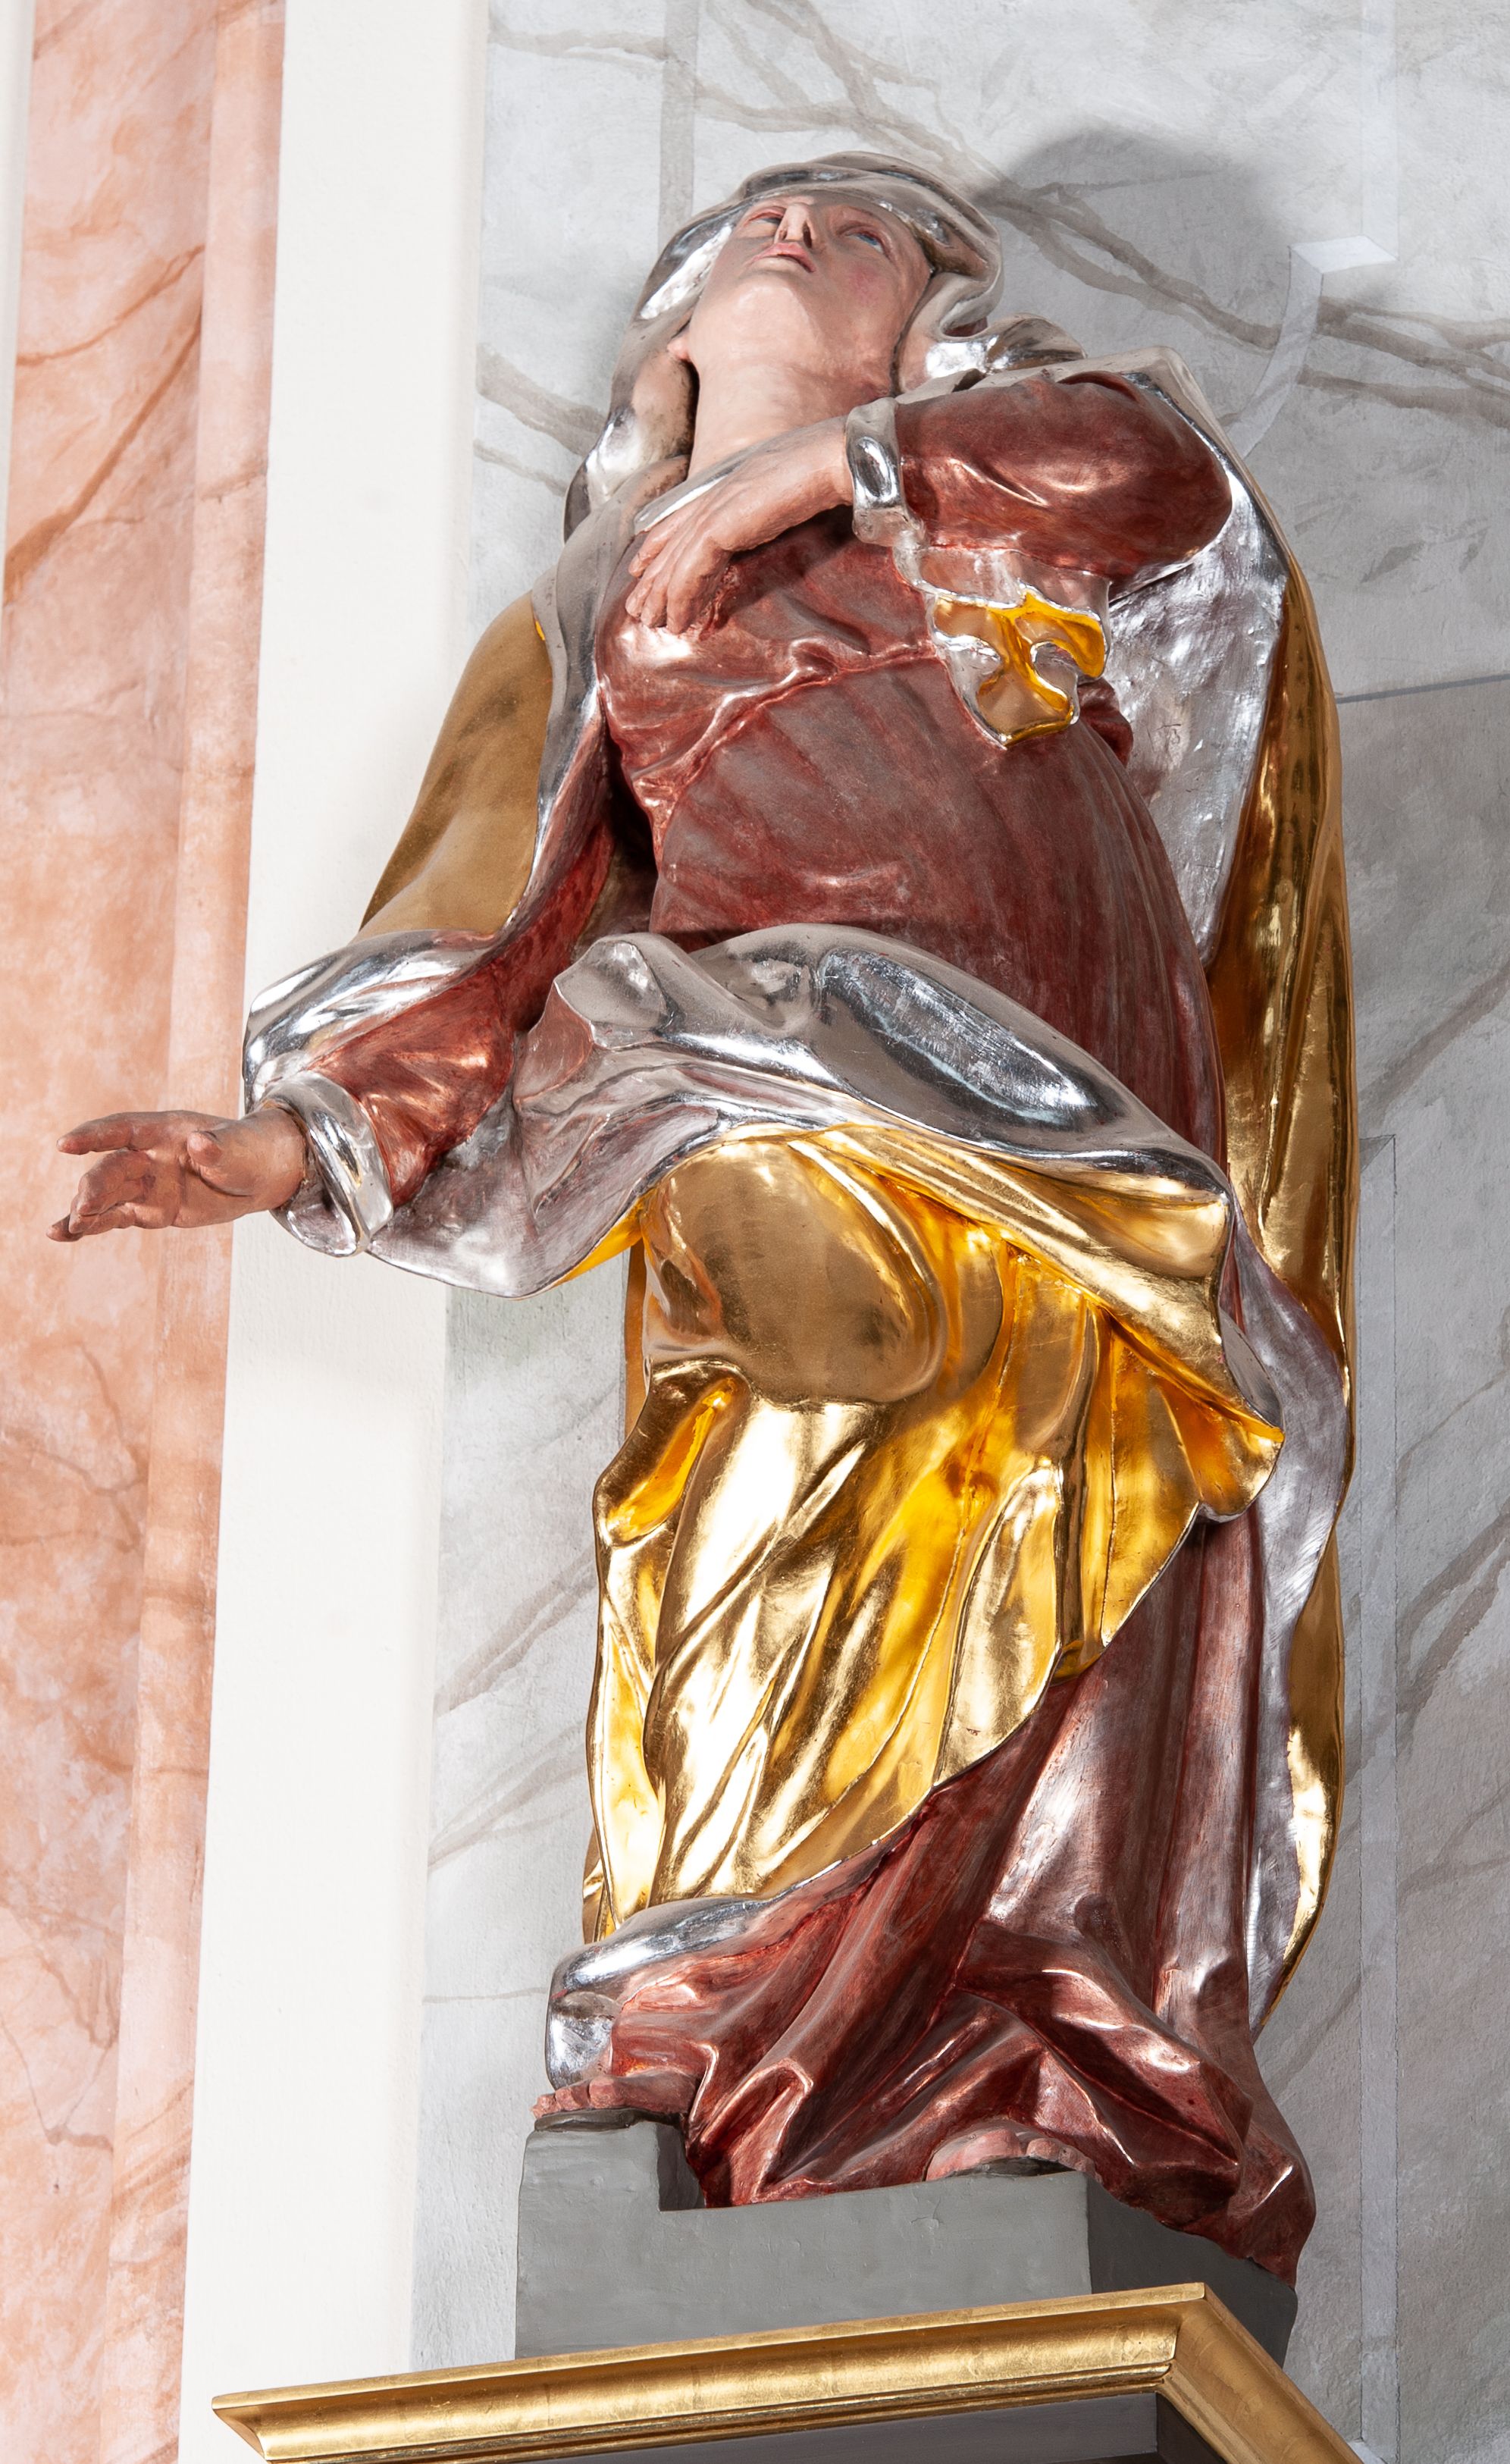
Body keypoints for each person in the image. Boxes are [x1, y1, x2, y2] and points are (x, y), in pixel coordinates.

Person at [53, 157, 1354, 2281]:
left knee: (1098, 1536)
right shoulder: (595, 603)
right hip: (777, 1074)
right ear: (665, 333)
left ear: (929, 326)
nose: (795, 230)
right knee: (793, 1464)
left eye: (861, 231)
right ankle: (716, 2009)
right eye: (757, 219)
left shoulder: (987, 492)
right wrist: (296, 1148)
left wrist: (817, 477)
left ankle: (1027, 2039)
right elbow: (496, 923)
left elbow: (1165, 473)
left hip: (1083, 1118)